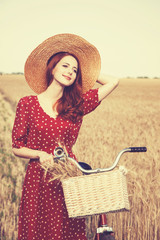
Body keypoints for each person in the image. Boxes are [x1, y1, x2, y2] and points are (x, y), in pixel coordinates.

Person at [12, 33, 119, 240]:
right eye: (65, 66)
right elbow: (16, 146)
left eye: (75, 70)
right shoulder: (27, 104)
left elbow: (113, 82)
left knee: (67, 231)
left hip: (68, 176)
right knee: (37, 231)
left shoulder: (77, 104)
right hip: (39, 178)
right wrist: (39, 154)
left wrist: (88, 72)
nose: (70, 71)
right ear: (52, 67)